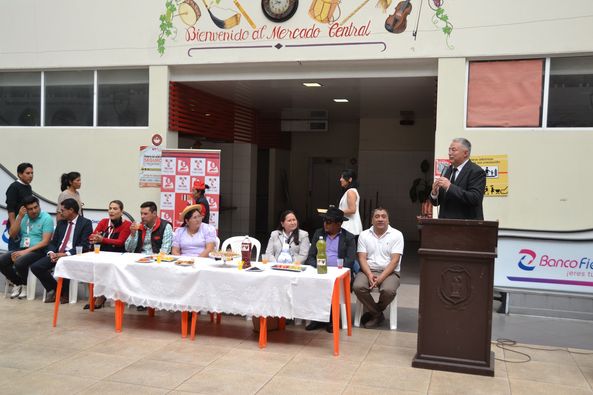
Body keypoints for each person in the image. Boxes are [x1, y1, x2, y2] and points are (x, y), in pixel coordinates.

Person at [30, 198, 93, 304]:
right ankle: (57, 289)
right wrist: (51, 253)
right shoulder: (61, 223)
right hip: (57, 253)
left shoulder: (85, 223)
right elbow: (53, 242)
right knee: (36, 267)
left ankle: (63, 293)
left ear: (71, 210)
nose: (60, 212)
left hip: (72, 255)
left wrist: (65, 254)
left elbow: (84, 245)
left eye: (62, 210)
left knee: (65, 263)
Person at [305, 207, 356, 333]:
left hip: (339, 274)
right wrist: (319, 266)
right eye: (324, 221)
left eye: (328, 222)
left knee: (332, 284)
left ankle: (331, 319)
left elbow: (350, 260)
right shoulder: (319, 233)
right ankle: (316, 318)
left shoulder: (348, 237)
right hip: (320, 270)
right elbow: (310, 257)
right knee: (309, 282)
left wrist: (334, 270)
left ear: (338, 224)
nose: (325, 224)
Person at [353, 207, 404, 328]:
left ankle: (373, 312)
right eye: (377, 216)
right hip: (367, 270)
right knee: (358, 286)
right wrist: (370, 275)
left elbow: (395, 260)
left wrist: (380, 278)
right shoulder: (364, 235)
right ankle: (377, 314)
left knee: (388, 291)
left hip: (390, 272)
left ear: (388, 220)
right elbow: (362, 258)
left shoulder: (397, 235)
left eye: (383, 216)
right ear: (372, 220)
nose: (380, 219)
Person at [0, 196, 53, 299]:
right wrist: (19, 217)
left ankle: (25, 285)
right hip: (23, 248)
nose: (34, 211)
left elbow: (45, 242)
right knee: (2, 260)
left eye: (36, 207)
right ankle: (18, 283)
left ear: (39, 206)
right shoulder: (23, 217)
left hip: (38, 250)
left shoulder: (46, 218)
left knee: (19, 261)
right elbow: (12, 234)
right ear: (25, 209)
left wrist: (25, 252)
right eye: (30, 209)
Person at [85, 200, 132, 310]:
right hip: (102, 252)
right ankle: (94, 296)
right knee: (90, 268)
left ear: (121, 211)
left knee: (105, 268)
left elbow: (120, 242)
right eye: (110, 208)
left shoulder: (127, 224)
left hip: (117, 254)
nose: (111, 211)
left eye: (115, 209)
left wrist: (103, 239)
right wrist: (95, 238)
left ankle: (101, 297)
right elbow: (92, 236)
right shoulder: (103, 222)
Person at [430, 138, 486, 220]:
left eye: (453, 150)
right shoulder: (447, 170)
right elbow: (436, 202)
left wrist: (450, 187)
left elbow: (475, 198)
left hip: (466, 226)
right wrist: (434, 193)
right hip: (445, 225)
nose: (449, 153)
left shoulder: (476, 171)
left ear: (465, 153)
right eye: (449, 150)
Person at [5, 163, 34, 251]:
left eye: (32, 173)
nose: (31, 175)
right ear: (20, 174)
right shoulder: (14, 187)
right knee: (14, 253)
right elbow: (11, 209)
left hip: (27, 225)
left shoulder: (28, 187)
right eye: (27, 173)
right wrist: (14, 227)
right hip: (17, 225)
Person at [338, 169, 363, 236]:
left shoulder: (350, 191)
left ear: (350, 179)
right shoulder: (350, 191)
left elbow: (352, 210)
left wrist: (337, 211)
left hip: (350, 228)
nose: (340, 179)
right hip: (349, 227)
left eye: (342, 177)